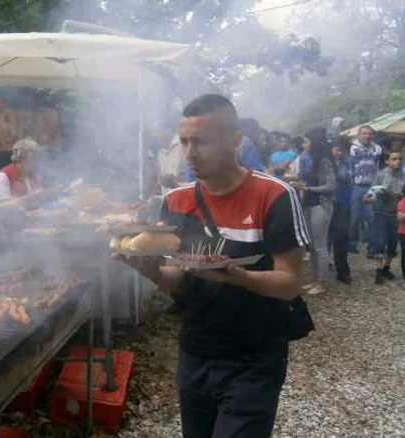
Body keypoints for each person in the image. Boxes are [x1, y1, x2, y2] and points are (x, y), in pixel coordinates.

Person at [119, 94, 311, 438]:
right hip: (196, 350)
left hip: (255, 356)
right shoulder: (175, 201)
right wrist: (152, 272)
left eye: (202, 142)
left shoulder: (275, 195)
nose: (190, 153)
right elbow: (179, 276)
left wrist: (239, 277)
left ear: (234, 141)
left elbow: (291, 281)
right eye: (185, 142)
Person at [293, 128, 336, 295]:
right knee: (312, 247)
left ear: (314, 142)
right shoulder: (310, 160)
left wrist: (309, 188)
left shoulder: (324, 161)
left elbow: (331, 186)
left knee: (320, 246)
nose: (304, 145)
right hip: (309, 205)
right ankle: (314, 279)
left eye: (306, 141)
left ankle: (322, 282)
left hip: (321, 206)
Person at [364, 151, 405, 284]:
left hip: (395, 214)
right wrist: (369, 198)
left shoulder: (403, 176)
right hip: (380, 213)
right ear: (387, 161)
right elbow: (370, 195)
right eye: (394, 159)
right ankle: (378, 271)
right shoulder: (380, 175)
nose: (397, 161)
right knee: (379, 242)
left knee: (393, 244)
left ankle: (386, 267)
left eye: (399, 159)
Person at [349, 125, 382, 253]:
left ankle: (371, 245)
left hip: (372, 186)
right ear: (358, 135)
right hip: (356, 187)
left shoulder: (377, 149)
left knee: (371, 216)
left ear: (372, 135)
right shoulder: (352, 149)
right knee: (354, 217)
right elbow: (349, 168)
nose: (367, 136)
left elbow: (379, 167)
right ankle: (352, 243)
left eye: (369, 134)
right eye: (364, 134)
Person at [329, 139, 353, 284]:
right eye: (336, 149)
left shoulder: (348, 163)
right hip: (325, 205)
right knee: (322, 241)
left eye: (341, 150)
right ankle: (320, 275)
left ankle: (343, 271)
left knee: (341, 238)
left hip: (342, 205)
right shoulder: (324, 164)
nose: (339, 152)